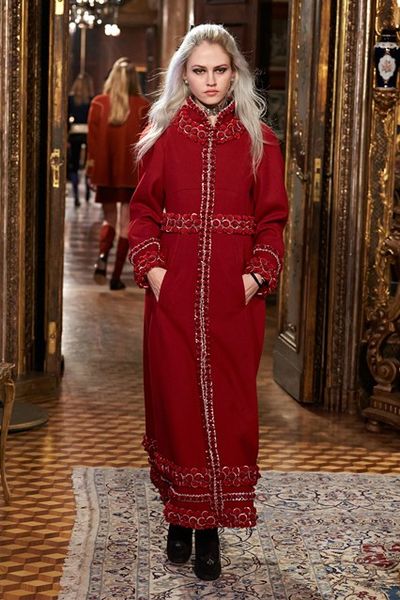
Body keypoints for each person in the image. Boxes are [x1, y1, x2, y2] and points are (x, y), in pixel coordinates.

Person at [128, 24, 288, 580]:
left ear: (235, 73)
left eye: (220, 70)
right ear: (184, 74)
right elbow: (143, 212)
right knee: (175, 404)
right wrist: (155, 273)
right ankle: (181, 517)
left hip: (233, 299)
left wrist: (254, 278)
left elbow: (273, 220)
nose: (210, 81)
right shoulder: (163, 133)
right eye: (199, 71)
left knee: (228, 408)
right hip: (171, 297)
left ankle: (210, 529)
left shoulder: (260, 140)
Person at [87, 58, 149, 290]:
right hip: (132, 173)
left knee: (109, 219)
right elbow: (147, 145)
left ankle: (102, 257)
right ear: (135, 79)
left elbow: (92, 143)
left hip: (106, 173)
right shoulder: (143, 106)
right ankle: (115, 277)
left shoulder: (99, 103)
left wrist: (91, 171)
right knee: (125, 224)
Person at [68, 73, 93, 207]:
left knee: (74, 166)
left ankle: (76, 196)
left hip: (74, 135)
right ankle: (88, 192)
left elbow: (66, 119)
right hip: (88, 134)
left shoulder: (71, 100)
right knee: (88, 164)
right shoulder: (91, 100)